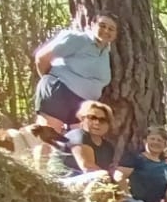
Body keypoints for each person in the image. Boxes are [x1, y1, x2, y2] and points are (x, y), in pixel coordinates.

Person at [31, 13, 116, 142]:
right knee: (49, 138)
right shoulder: (78, 39)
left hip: (82, 105)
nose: (106, 31)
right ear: (92, 25)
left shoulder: (105, 53)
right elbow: (42, 57)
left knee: (75, 142)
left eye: (111, 29)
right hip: (60, 93)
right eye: (102, 25)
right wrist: (52, 82)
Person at [47, 100, 121, 186]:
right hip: (60, 182)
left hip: (86, 181)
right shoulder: (78, 135)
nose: (97, 122)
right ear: (82, 119)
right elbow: (88, 167)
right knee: (101, 176)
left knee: (119, 178)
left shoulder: (108, 147)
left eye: (103, 120)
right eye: (92, 118)